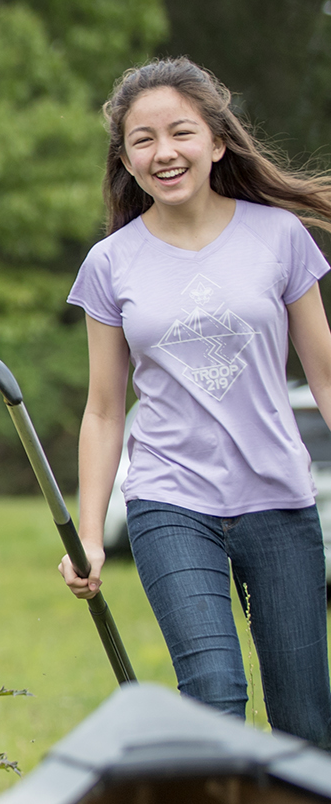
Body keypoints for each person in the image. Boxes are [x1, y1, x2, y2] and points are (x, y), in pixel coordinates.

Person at [62, 57, 331, 748]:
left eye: (179, 132)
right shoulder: (112, 262)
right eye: (142, 139)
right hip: (170, 500)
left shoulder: (280, 238)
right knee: (213, 691)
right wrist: (89, 534)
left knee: (305, 718)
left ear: (216, 140)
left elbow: (325, 375)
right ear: (125, 157)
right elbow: (103, 409)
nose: (164, 152)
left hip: (278, 499)